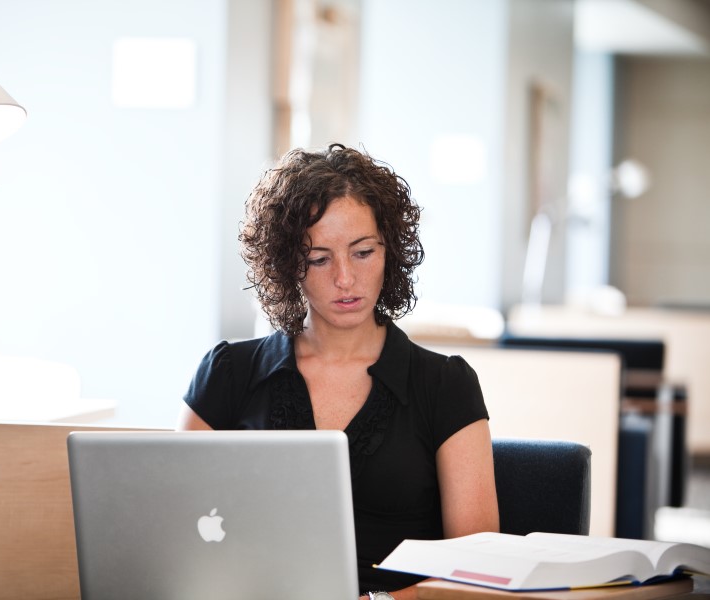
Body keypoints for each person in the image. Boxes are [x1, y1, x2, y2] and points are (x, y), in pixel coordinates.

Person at [178, 143, 499, 600]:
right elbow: (173, 536)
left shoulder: (445, 385)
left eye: (363, 252)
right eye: (319, 258)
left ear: (390, 252)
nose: (345, 278)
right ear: (288, 264)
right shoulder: (229, 373)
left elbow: (474, 572)